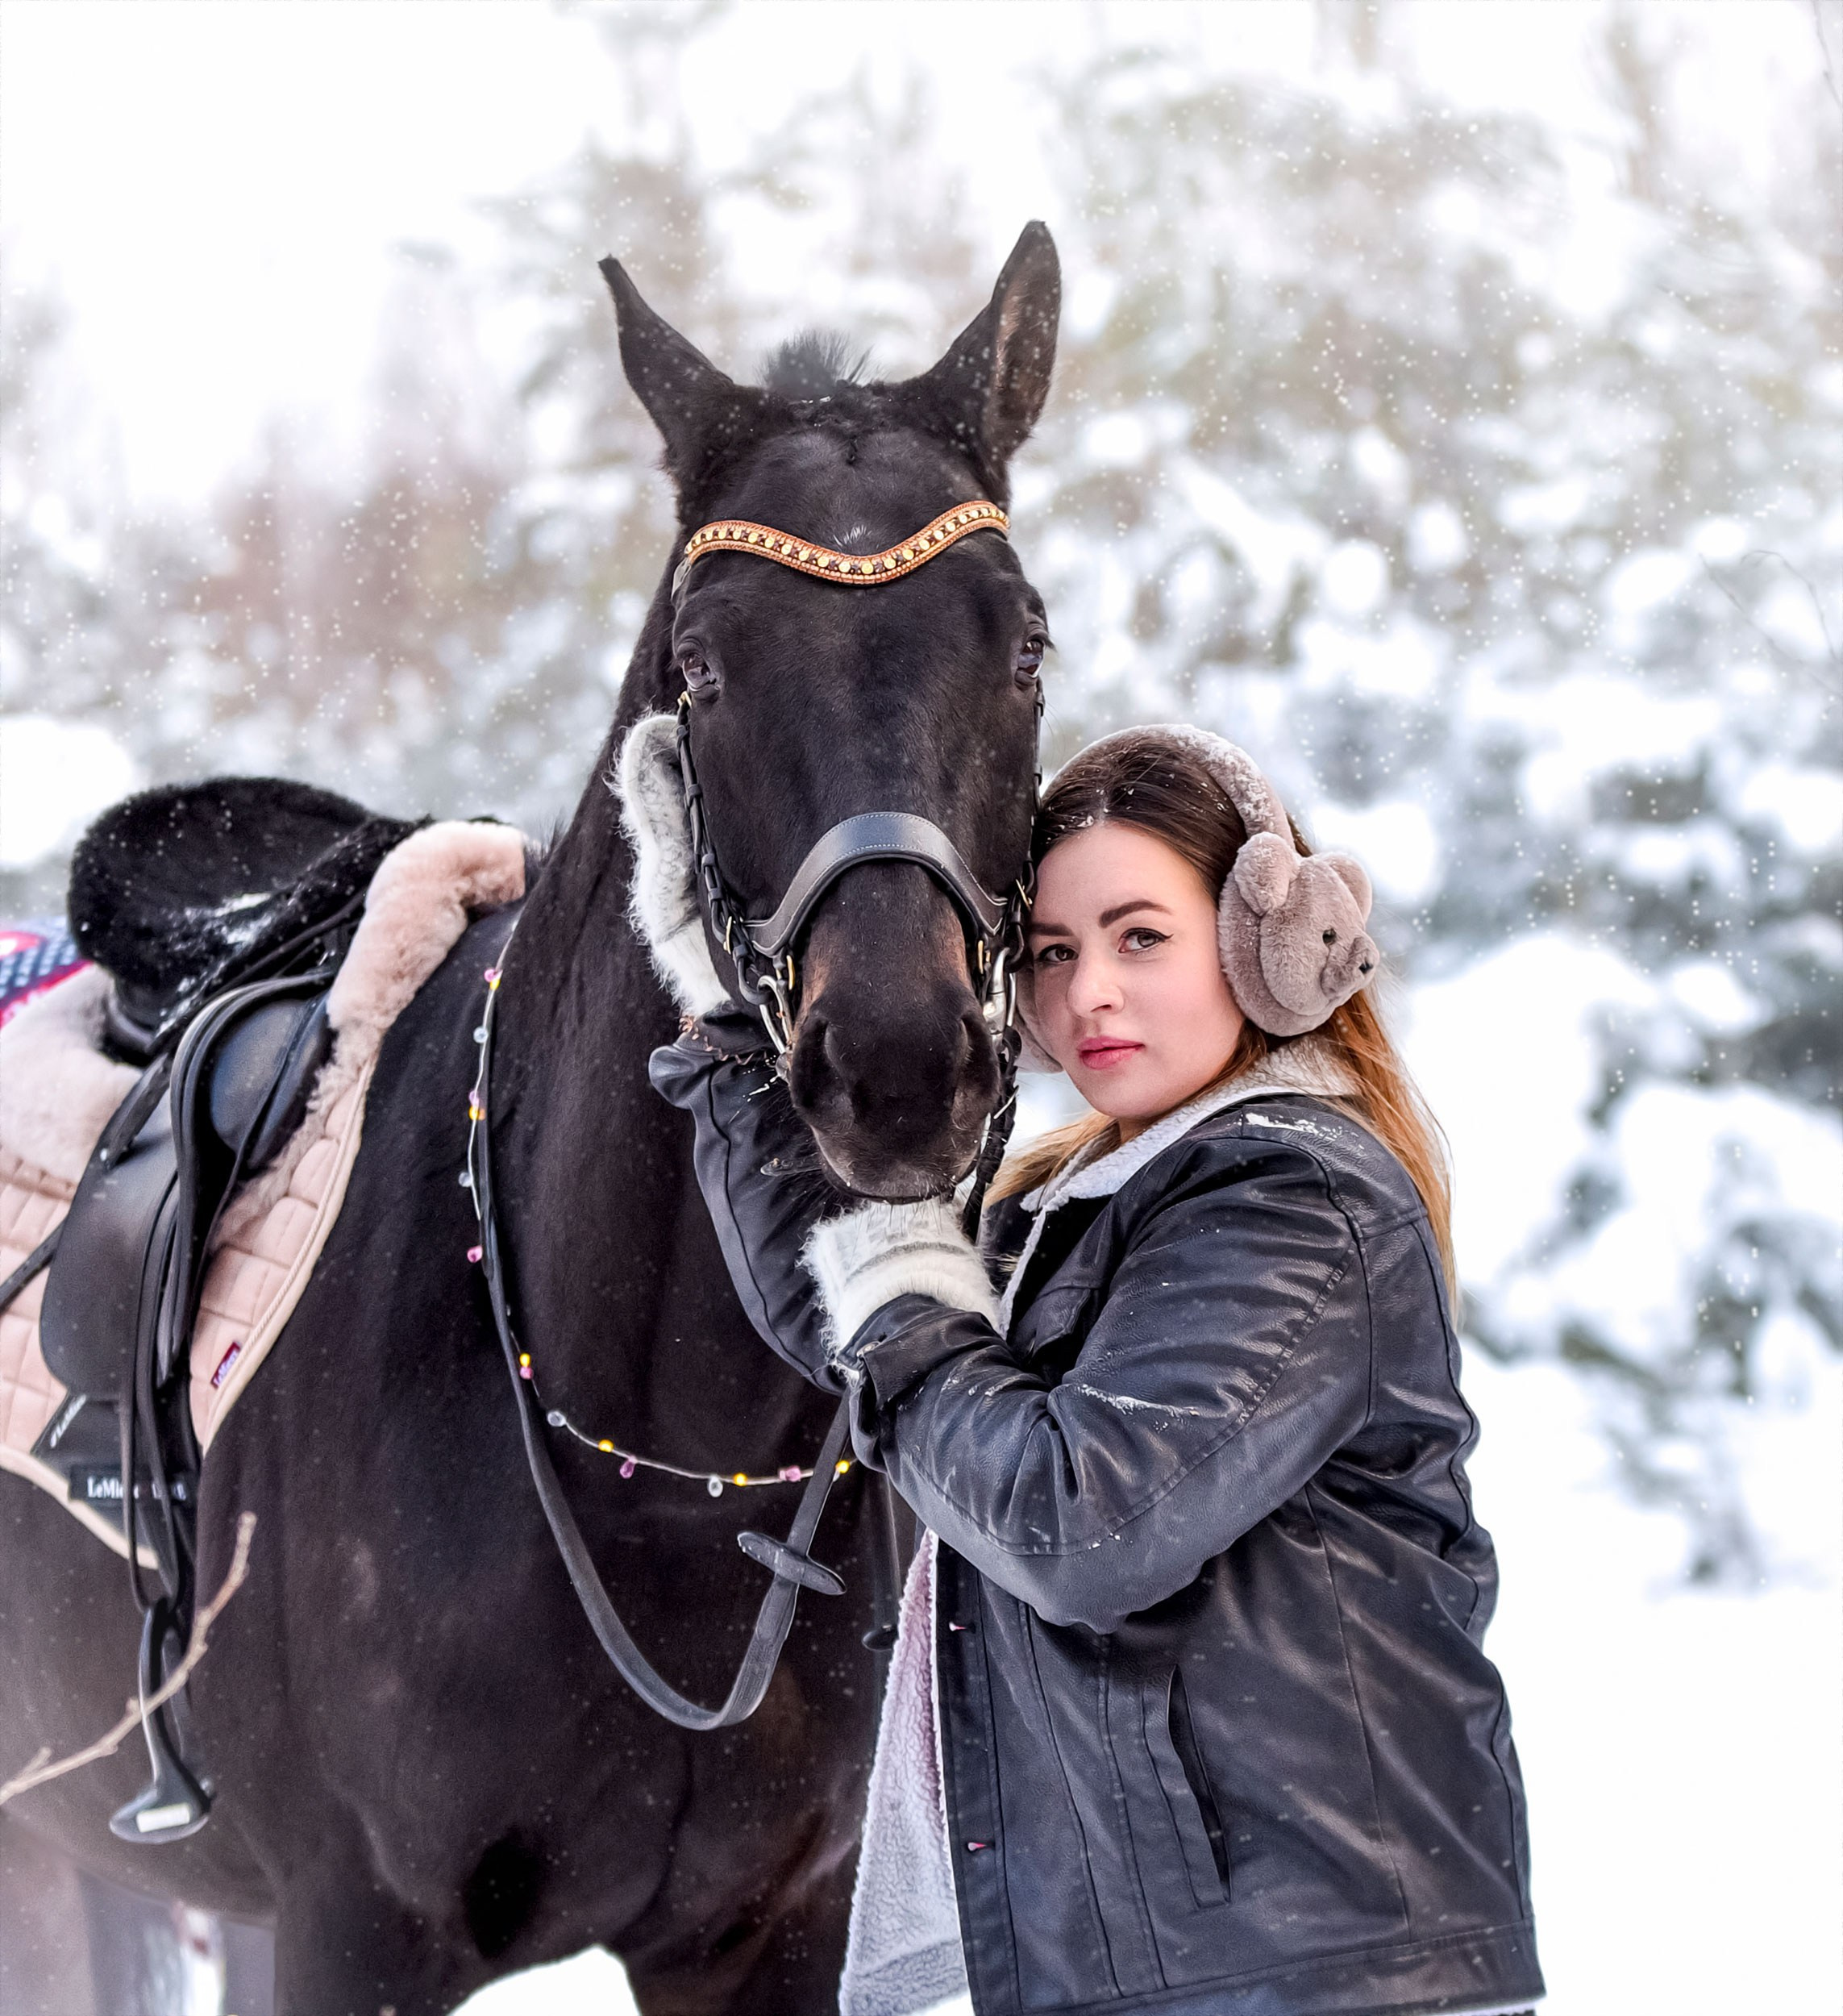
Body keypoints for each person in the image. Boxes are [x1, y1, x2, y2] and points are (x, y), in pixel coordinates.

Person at [630, 722, 1543, 2016]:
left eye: (1140, 937)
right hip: (1176, 1957)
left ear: (1264, 945)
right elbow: (857, 1322)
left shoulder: (1290, 1193)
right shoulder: (1088, 1199)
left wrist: (901, 1294)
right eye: (1051, 953)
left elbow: (1080, 1518)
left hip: (1312, 1970)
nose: (1090, 993)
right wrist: (736, 1023)